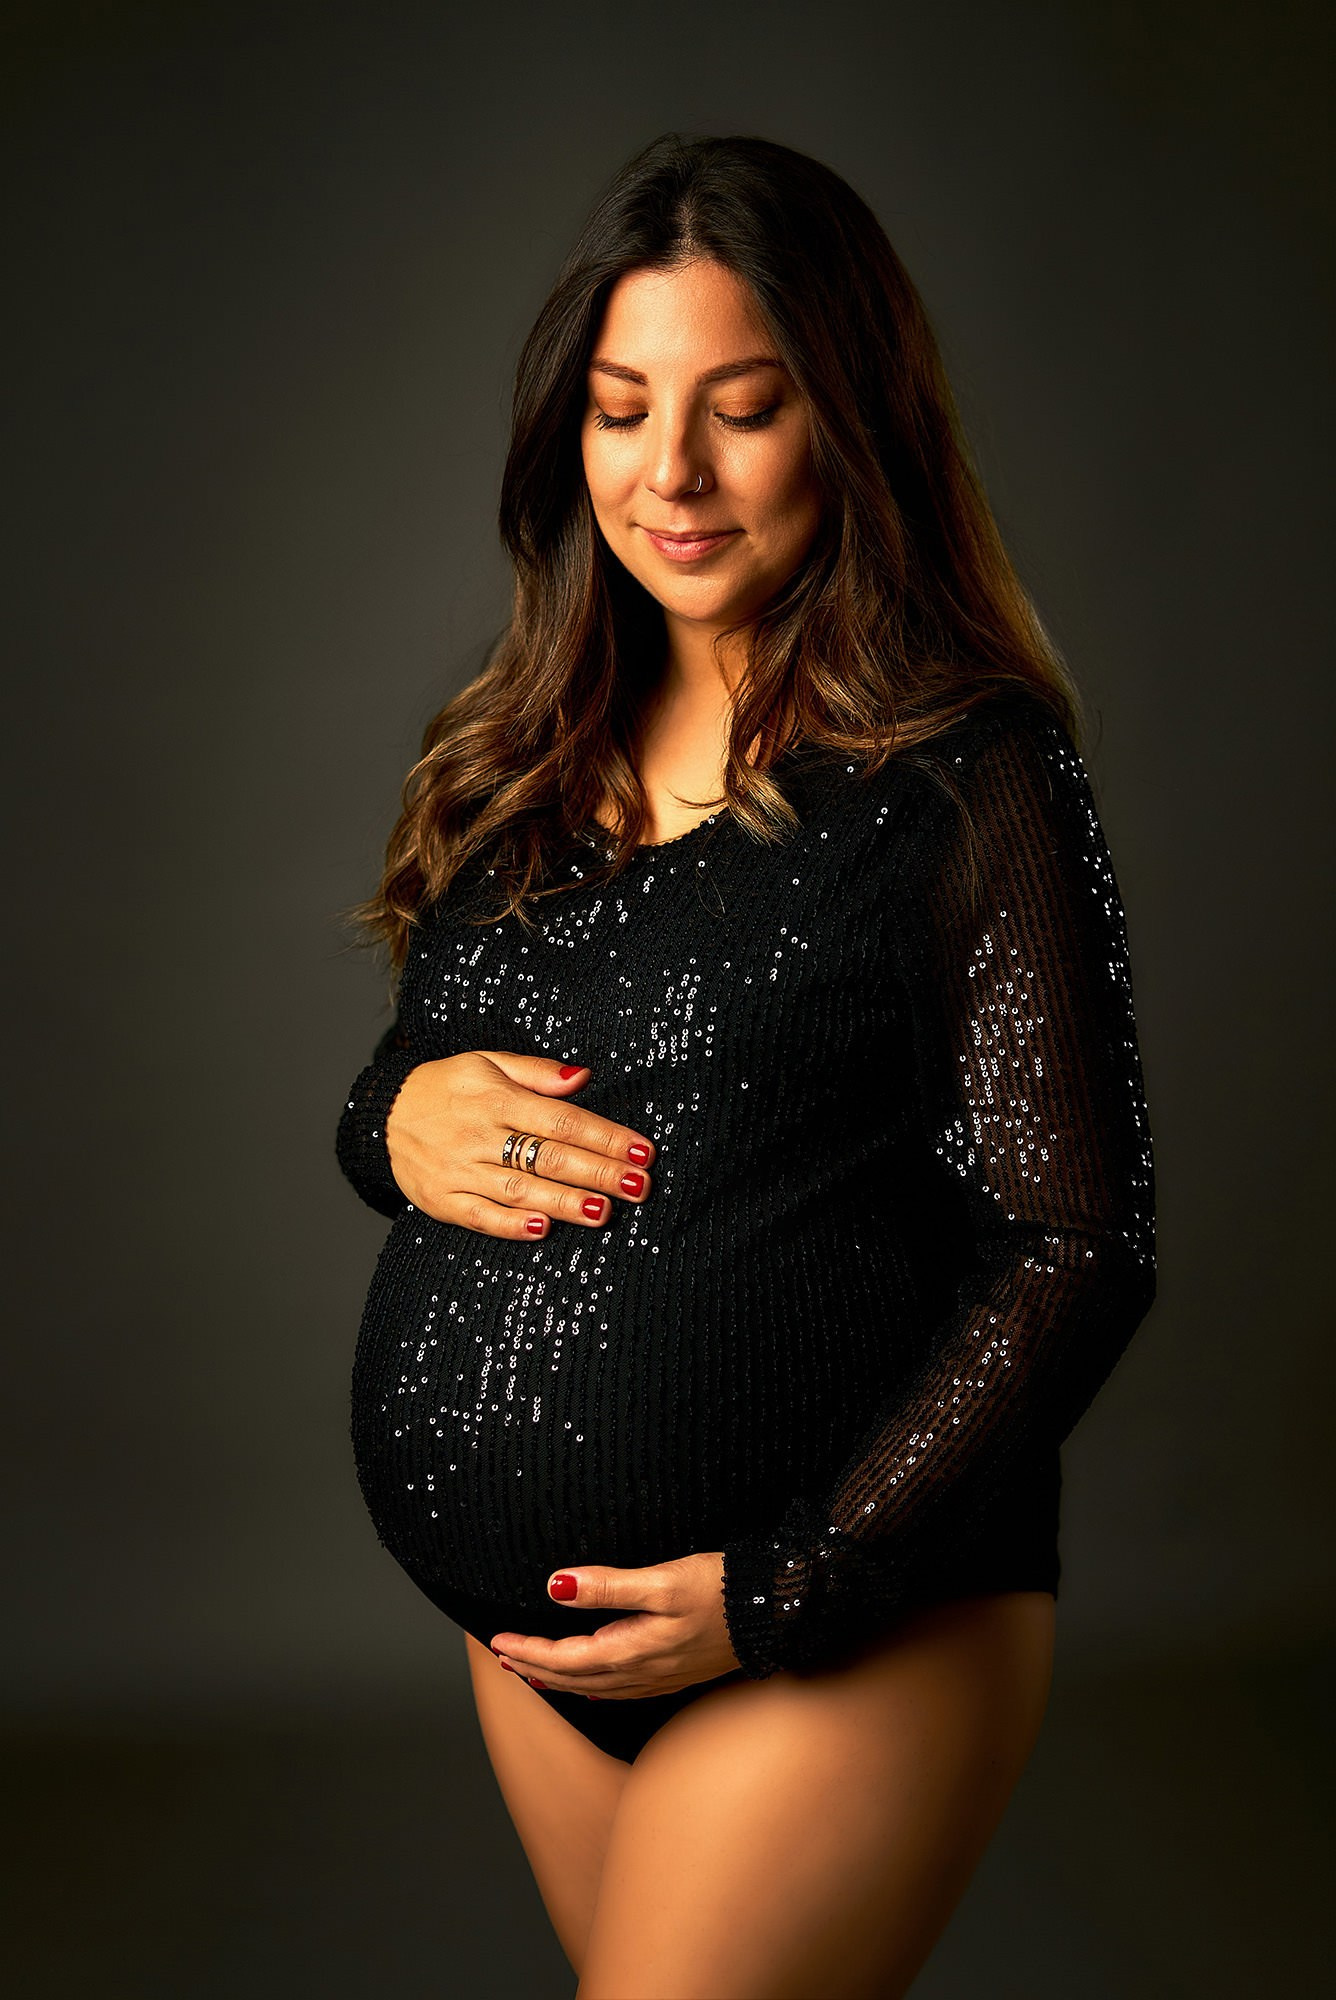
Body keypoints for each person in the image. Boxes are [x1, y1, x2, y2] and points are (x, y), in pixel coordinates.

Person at [334, 132, 1156, 2000]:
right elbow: (410, 1082)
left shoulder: (971, 776)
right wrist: (393, 1123)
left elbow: (1080, 1241)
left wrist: (792, 1586)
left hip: (833, 1615)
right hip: (543, 1646)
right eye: (624, 410)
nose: (669, 473)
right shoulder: (530, 748)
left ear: (847, 423)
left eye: (743, 408)